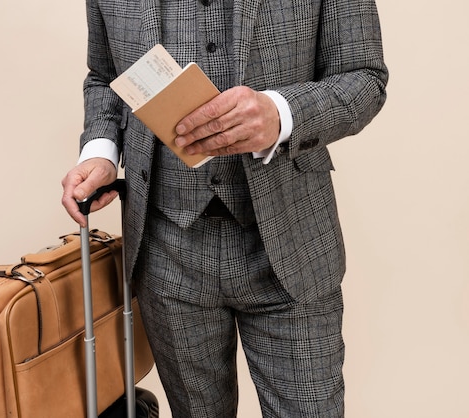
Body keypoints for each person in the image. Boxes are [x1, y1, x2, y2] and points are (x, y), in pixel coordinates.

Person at [61, 0, 388, 416]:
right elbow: (106, 76)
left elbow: (365, 78)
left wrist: (282, 113)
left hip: (291, 246)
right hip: (166, 253)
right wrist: (101, 152)